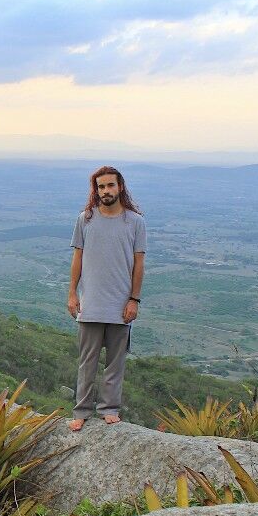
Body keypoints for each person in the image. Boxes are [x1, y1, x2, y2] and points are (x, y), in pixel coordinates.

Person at [67, 166, 146, 431]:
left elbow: (139, 264)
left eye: (110, 185)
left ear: (120, 187)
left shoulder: (135, 222)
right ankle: (82, 411)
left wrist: (134, 299)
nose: (106, 191)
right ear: (96, 190)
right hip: (90, 303)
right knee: (86, 362)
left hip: (120, 305)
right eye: (101, 187)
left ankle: (109, 409)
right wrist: (72, 294)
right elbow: (77, 259)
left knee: (115, 360)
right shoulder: (85, 219)